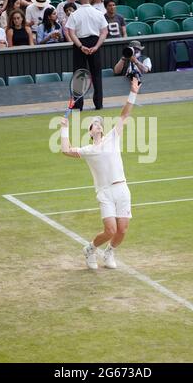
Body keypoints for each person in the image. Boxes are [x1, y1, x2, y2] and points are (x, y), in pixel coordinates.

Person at [60, 76, 141, 270]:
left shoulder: (112, 138)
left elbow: (124, 115)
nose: (97, 125)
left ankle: (109, 252)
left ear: (102, 130)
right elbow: (65, 150)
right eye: (93, 124)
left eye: (99, 123)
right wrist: (64, 129)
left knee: (122, 230)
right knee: (110, 229)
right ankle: (90, 249)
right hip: (105, 192)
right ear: (90, 131)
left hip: (122, 188)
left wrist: (133, 93)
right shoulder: (88, 150)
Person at [65, 0, 108, 110]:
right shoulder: (98, 13)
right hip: (94, 41)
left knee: (79, 75)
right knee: (96, 75)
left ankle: (78, 104)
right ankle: (98, 104)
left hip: (80, 43)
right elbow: (104, 32)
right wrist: (96, 46)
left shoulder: (74, 14)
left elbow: (71, 33)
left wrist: (80, 46)